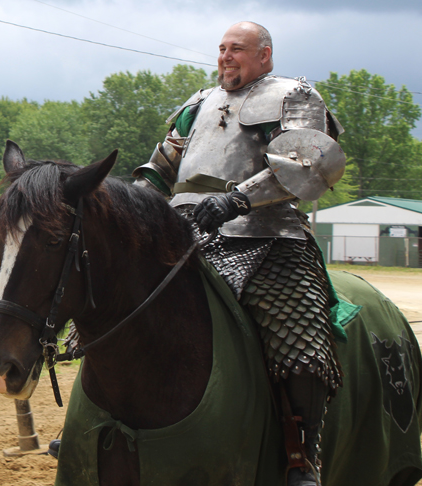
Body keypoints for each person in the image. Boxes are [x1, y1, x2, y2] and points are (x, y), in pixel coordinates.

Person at [133, 21, 348, 486]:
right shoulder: (197, 104)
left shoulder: (295, 96)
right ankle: (110, 421)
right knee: (117, 311)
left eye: (237, 50)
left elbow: (309, 165)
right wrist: (129, 208)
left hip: (266, 234)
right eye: (222, 49)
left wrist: (237, 200)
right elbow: (159, 169)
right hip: (182, 233)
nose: (226, 57)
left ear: (265, 55)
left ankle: (301, 456)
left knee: (300, 344)